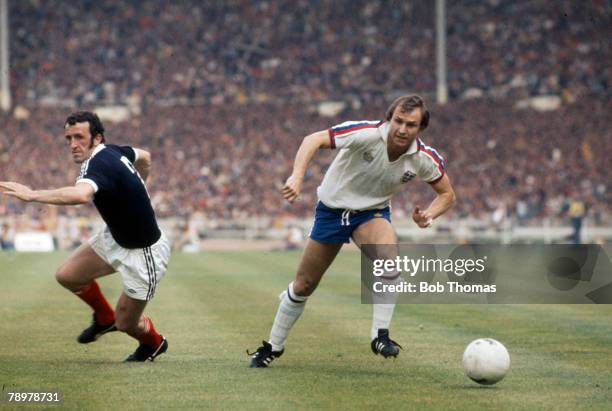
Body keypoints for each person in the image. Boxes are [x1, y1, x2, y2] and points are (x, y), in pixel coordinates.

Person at [248, 95, 456, 367]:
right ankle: (272, 347)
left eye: (411, 125)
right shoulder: (366, 133)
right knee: (304, 285)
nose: (403, 129)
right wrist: (297, 176)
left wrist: (429, 214)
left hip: (371, 213)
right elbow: (313, 139)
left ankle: (380, 336)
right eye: (399, 121)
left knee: (389, 261)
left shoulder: (423, 158)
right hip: (331, 212)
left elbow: (447, 195)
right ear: (389, 119)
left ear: (421, 129)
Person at [0, 111, 171, 362]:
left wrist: (32, 194)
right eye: (68, 138)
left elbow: (81, 196)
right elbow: (145, 156)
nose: (72, 144)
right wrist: (140, 184)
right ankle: (104, 318)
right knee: (68, 276)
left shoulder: (98, 163)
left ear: (97, 138)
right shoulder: (113, 151)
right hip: (115, 237)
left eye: (79, 137)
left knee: (126, 324)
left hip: (143, 253)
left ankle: (154, 343)